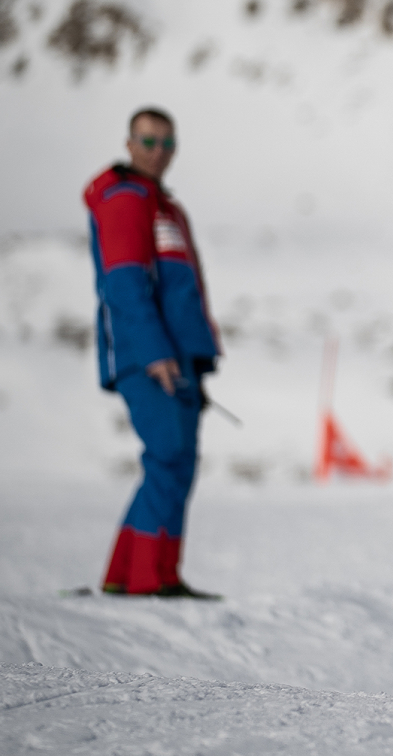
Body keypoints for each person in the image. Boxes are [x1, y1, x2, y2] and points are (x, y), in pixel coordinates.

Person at [84, 107, 222, 599]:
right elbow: (124, 283)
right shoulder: (125, 200)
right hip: (151, 357)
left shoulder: (165, 207)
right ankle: (146, 579)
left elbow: (182, 288)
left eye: (166, 143)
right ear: (129, 143)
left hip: (179, 356)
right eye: (148, 142)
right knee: (166, 456)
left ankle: (138, 574)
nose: (156, 152)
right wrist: (154, 352)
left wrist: (197, 361)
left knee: (177, 462)